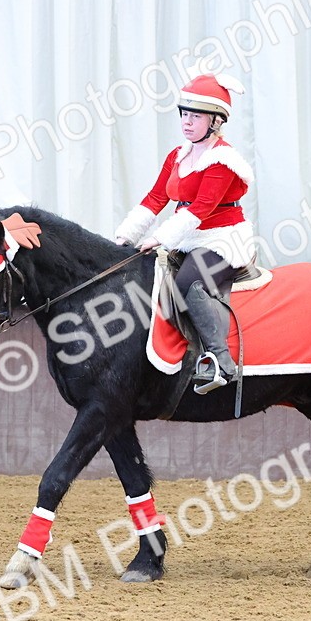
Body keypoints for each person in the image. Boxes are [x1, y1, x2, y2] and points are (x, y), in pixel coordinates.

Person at [114, 72, 255, 394]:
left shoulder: (223, 159)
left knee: (187, 284)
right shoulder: (178, 155)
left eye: (196, 116)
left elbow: (201, 208)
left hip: (222, 238)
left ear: (217, 121)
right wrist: (125, 237)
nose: (187, 122)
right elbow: (155, 198)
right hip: (189, 237)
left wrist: (158, 239)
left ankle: (221, 361)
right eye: (185, 114)